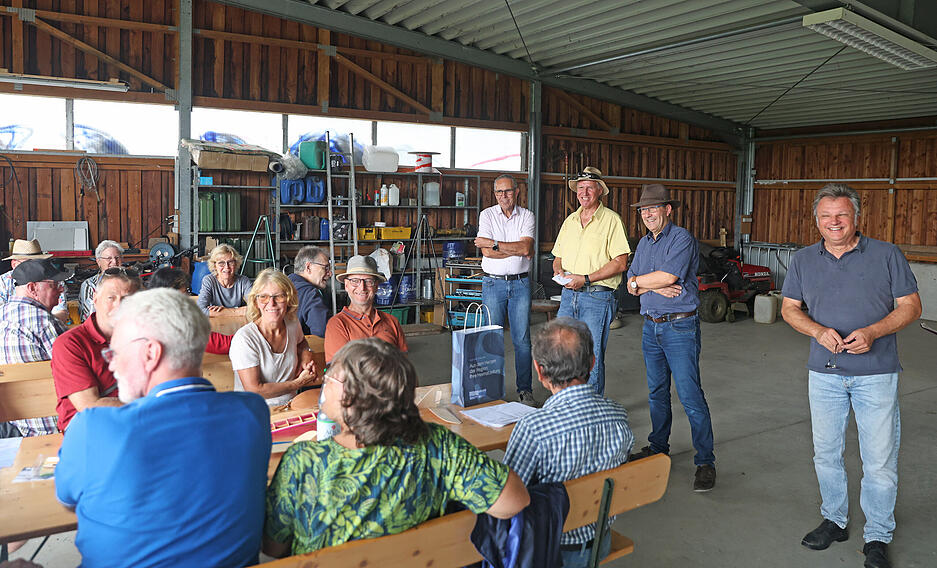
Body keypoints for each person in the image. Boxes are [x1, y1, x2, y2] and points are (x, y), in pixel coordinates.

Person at [55, 288, 271, 567]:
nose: (113, 364)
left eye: (116, 352)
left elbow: (67, 501)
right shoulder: (252, 412)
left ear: (151, 353)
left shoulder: (93, 427)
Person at [263, 338, 530, 557]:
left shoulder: (303, 461)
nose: (325, 383)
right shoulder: (438, 444)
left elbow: (273, 547)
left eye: (330, 376)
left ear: (350, 397)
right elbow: (514, 500)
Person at [780, 184, 921, 568]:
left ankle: (877, 535)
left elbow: (911, 306)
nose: (834, 222)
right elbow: (789, 308)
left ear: (856, 217)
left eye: (842, 214)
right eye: (826, 216)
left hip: (875, 374)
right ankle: (835, 520)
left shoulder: (887, 255)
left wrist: (873, 332)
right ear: (816, 220)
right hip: (824, 374)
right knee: (826, 453)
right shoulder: (803, 260)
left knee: (879, 460)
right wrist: (816, 331)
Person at [502, 317, 633, 567]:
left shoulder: (534, 428)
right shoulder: (618, 415)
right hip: (600, 541)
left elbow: (507, 499)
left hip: (550, 549)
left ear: (539, 371)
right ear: (592, 363)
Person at [625, 184, 716, 492]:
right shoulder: (644, 243)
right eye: (643, 210)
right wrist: (645, 283)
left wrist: (644, 283)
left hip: (679, 328)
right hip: (650, 326)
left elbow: (668, 278)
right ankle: (658, 447)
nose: (647, 214)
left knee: (690, 395)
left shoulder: (681, 238)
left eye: (653, 208)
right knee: (657, 392)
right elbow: (629, 283)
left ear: (667, 209)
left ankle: (705, 461)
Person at [551, 167, 630, 395]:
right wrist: (559, 271)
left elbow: (620, 263)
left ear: (599, 191)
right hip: (568, 296)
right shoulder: (570, 221)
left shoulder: (612, 220)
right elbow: (558, 257)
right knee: (563, 351)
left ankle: (590, 408)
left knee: (590, 355)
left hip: (597, 297)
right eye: (580, 188)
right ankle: (567, 402)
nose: (584, 193)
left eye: (589, 188)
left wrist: (585, 279)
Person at [52, 267, 142, 431]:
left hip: (137, 425)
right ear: (95, 298)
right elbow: (89, 406)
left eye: (127, 300)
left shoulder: (144, 337)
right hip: (90, 430)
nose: (119, 306)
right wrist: (150, 406)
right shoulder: (70, 344)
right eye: (111, 298)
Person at [474, 174, 537, 406]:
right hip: (493, 283)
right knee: (491, 338)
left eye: (508, 191)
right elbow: (486, 253)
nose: (504, 196)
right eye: (499, 192)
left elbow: (526, 248)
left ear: (517, 192)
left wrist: (495, 244)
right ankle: (492, 391)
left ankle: (525, 391)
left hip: (520, 284)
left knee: (522, 341)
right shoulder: (487, 215)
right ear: (495, 194)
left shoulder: (527, 216)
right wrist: (515, 249)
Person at [0, 259, 70, 436]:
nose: (61, 290)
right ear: (32, 288)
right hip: (55, 426)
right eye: (54, 285)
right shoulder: (45, 322)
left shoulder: (2, 315)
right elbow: (77, 369)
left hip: (15, 427)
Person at [230, 268, 319, 407]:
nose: (271, 303)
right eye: (263, 297)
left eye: (279, 296)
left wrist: (306, 356)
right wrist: (298, 383)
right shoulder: (244, 339)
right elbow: (255, 390)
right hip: (255, 409)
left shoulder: (292, 324)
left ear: (288, 299)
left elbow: (302, 343)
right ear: (255, 302)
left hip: (290, 405)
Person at [323, 255, 407, 363]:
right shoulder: (337, 324)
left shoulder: (392, 322)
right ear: (346, 286)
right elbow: (339, 370)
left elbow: (403, 364)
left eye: (368, 281)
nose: (362, 287)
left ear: (376, 286)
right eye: (355, 281)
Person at [147, 266, 233, 354]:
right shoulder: (175, 323)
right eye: (185, 292)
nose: (187, 297)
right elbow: (223, 344)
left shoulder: (150, 314)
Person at [1, 239, 68, 323]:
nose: (34, 267)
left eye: (38, 262)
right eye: (28, 263)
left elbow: (62, 313)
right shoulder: (2, 283)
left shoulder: (54, 281)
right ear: (14, 264)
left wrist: (37, 321)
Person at [197, 243, 252, 316]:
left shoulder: (244, 281)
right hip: (216, 322)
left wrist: (224, 311)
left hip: (239, 321)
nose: (226, 267)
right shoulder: (209, 280)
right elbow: (200, 310)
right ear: (215, 266)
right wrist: (238, 311)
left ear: (236, 264)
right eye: (221, 263)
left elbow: (256, 307)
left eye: (230, 262)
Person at [288, 245, 331, 336]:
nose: (330, 273)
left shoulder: (284, 286)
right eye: (326, 268)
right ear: (308, 267)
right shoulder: (310, 294)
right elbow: (323, 334)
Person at [78, 240, 123, 322]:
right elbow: (89, 317)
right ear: (98, 262)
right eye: (109, 258)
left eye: (117, 258)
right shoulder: (89, 285)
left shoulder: (131, 282)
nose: (114, 262)